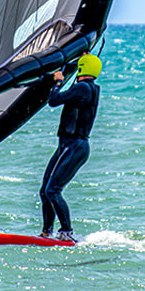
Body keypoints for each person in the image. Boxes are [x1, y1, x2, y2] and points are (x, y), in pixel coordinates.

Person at [39, 53, 101, 242]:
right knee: (45, 191)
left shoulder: (83, 87)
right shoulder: (86, 87)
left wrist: (58, 81)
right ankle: (47, 232)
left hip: (75, 146)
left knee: (53, 191)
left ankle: (67, 232)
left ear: (82, 68)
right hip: (66, 145)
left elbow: (54, 100)